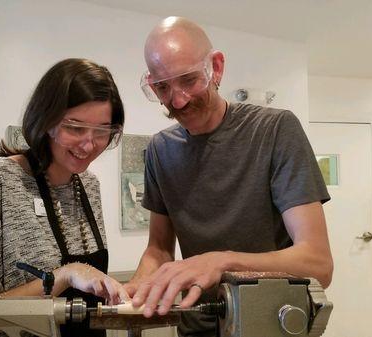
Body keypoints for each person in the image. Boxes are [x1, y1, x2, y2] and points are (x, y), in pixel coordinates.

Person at [124, 17, 334, 336]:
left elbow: (318, 263)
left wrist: (222, 262)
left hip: (270, 324)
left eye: (189, 80)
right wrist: (139, 287)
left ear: (216, 67)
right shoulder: (159, 150)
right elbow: (159, 249)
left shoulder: (275, 131)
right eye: (163, 87)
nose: (177, 100)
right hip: (197, 326)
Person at [0, 58, 128, 337]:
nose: (89, 144)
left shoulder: (88, 185)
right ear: (46, 120)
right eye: (75, 128)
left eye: (102, 131)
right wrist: (65, 275)